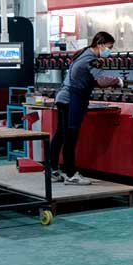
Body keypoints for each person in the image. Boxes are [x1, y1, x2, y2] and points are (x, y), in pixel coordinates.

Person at [47, 31, 120, 185]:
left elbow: (89, 79)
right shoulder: (92, 59)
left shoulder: (83, 54)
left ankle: (52, 170)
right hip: (71, 100)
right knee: (70, 137)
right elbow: (101, 80)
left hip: (63, 98)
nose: (110, 51)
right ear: (100, 44)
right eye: (109, 47)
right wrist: (118, 81)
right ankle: (71, 175)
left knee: (61, 135)